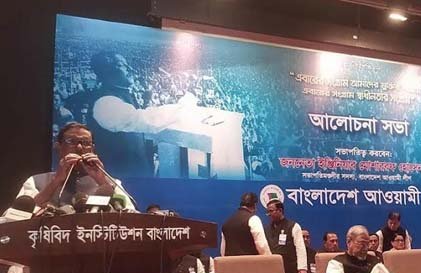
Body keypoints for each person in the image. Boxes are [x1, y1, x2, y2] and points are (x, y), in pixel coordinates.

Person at [64, 51, 195, 177]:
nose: (130, 69)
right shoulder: (104, 102)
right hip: (118, 180)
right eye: (123, 65)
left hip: (132, 175)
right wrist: (182, 109)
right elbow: (143, 120)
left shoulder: (120, 94)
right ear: (108, 71)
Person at [12, 122, 135, 210]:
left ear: (92, 149)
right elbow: (20, 216)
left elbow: (131, 216)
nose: (80, 148)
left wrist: (102, 181)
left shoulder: (111, 182)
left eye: (86, 143)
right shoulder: (36, 181)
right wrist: (56, 181)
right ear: (59, 147)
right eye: (71, 141)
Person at [326, 225, 403, 273]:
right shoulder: (337, 262)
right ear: (349, 242)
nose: (366, 247)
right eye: (362, 243)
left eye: (367, 243)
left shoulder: (374, 261)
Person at [264, 200, 307, 273]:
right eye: (268, 212)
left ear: (280, 210)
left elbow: (300, 248)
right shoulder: (266, 229)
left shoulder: (293, 226)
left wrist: (302, 268)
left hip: (290, 270)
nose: (269, 214)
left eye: (271, 211)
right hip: (273, 271)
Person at [221, 192, 271, 256]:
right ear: (255, 205)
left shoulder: (227, 223)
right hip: (250, 261)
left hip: (230, 261)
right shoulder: (253, 219)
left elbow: (223, 249)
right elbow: (262, 246)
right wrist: (269, 259)